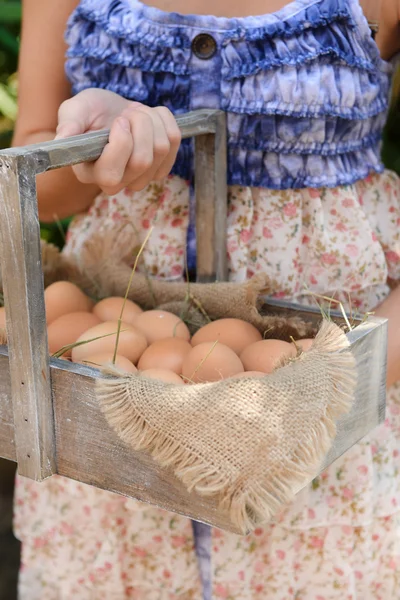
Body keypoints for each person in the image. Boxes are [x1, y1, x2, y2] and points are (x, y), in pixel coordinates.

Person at [10, 0, 400, 597]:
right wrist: (94, 144)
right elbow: (40, 173)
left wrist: (327, 389)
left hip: (316, 448)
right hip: (108, 438)